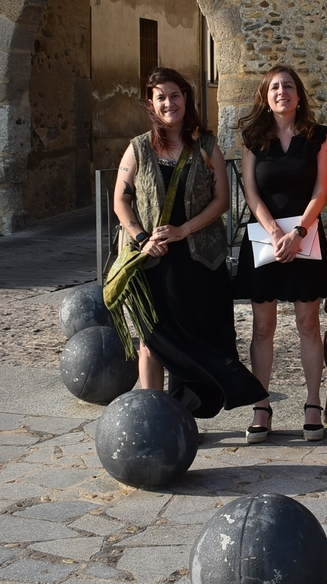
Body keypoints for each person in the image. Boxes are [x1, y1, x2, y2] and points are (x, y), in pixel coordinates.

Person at [112, 67, 268, 418]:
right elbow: (121, 200)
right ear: (151, 104)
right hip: (154, 261)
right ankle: (154, 417)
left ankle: (186, 412)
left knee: (200, 337)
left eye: (175, 95)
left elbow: (221, 201)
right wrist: (141, 238)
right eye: (161, 97)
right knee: (153, 343)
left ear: (186, 98)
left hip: (201, 262)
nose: (169, 103)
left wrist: (184, 230)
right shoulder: (138, 148)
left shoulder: (206, 145)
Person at [233, 65, 327, 444]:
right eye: (274, 87)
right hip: (265, 241)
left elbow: (320, 192)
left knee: (309, 324)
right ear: (265, 95)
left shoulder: (319, 137)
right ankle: (261, 405)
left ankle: (312, 405)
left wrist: (298, 233)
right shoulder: (251, 139)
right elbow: (251, 192)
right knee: (263, 326)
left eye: (288, 86)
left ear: (298, 94)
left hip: (305, 239)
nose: (282, 92)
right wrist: (277, 232)